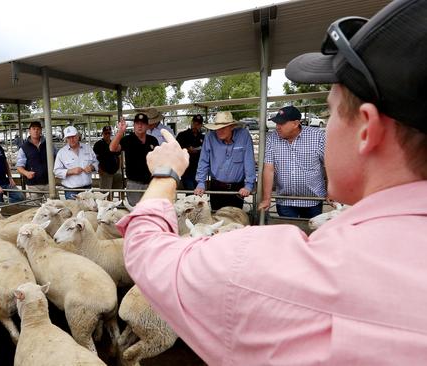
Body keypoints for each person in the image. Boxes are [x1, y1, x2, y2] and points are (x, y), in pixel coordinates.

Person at [116, 0, 427, 363]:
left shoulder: (264, 267)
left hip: (236, 193)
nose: (325, 130)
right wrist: (202, 181)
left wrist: (166, 174)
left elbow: (147, 252)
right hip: (216, 187)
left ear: (367, 130)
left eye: (331, 112)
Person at [258, 105, 326, 218]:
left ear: (295, 123)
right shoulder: (272, 138)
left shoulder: (317, 136)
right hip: (285, 201)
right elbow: (269, 169)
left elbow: (328, 164)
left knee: (311, 233)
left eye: (282, 123)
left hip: (313, 200)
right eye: (277, 123)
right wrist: (266, 198)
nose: (277, 127)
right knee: (289, 233)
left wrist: (332, 192)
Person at [193, 111, 256, 210]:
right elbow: (204, 160)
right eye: (217, 128)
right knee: (217, 217)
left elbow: (249, 160)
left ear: (232, 127)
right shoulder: (210, 137)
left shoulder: (243, 135)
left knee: (235, 220)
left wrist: (248, 185)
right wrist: (201, 182)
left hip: (237, 189)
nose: (219, 131)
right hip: (216, 187)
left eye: (223, 128)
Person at [109, 113, 159, 206]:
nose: (140, 126)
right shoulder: (127, 139)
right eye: (137, 123)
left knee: (151, 211)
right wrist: (120, 132)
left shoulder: (153, 140)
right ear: (134, 125)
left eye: (143, 123)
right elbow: (112, 148)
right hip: (134, 184)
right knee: (136, 212)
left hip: (151, 183)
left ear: (147, 125)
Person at [53, 126, 98, 200]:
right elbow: (56, 171)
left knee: (89, 211)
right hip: (71, 190)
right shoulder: (61, 153)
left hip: (87, 189)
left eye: (73, 137)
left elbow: (96, 162)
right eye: (69, 138)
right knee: (74, 211)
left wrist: (92, 167)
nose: (71, 139)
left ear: (78, 136)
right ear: (66, 139)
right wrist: (70, 171)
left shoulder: (88, 148)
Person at [16, 121, 57, 202]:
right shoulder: (24, 148)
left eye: (38, 129)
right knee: (35, 208)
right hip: (33, 184)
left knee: (55, 205)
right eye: (33, 129)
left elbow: (58, 158)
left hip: (49, 182)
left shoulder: (49, 144)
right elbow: (19, 167)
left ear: (41, 131)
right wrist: (26, 173)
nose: (36, 131)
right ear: (29, 131)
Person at [175, 114, 205, 191]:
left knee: (198, 193)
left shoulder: (203, 137)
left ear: (201, 125)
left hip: (198, 169)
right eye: (194, 123)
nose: (195, 125)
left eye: (198, 124)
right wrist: (187, 149)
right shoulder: (182, 135)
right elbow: (176, 149)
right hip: (187, 169)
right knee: (190, 191)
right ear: (191, 123)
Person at [93, 125, 123, 199]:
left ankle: (112, 205)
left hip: (115, 171)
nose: (107, 135)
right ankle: (106, 207)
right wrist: (99, 169)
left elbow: (119, 156)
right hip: (105, 171)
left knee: (114, 190)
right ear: (102, 133)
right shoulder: (98, 144)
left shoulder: (114, 143)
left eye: (109, 133)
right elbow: (94, 158)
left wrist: (119, 168)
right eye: (105, 133)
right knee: (105, 193)